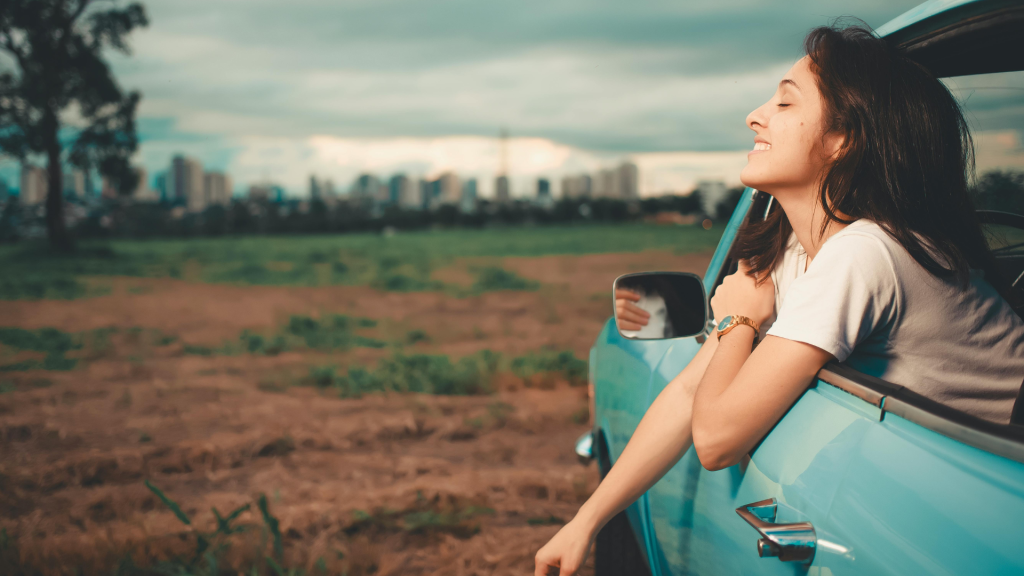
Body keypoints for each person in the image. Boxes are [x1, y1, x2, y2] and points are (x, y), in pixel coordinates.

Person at [535, 23, 1024, 576]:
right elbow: (688, 392)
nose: (755, 115)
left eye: (785, 102)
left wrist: (739, 319)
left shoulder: (865, 252)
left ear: (844, 140)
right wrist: (585, 521)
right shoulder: (798, 249)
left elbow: (716, 440)